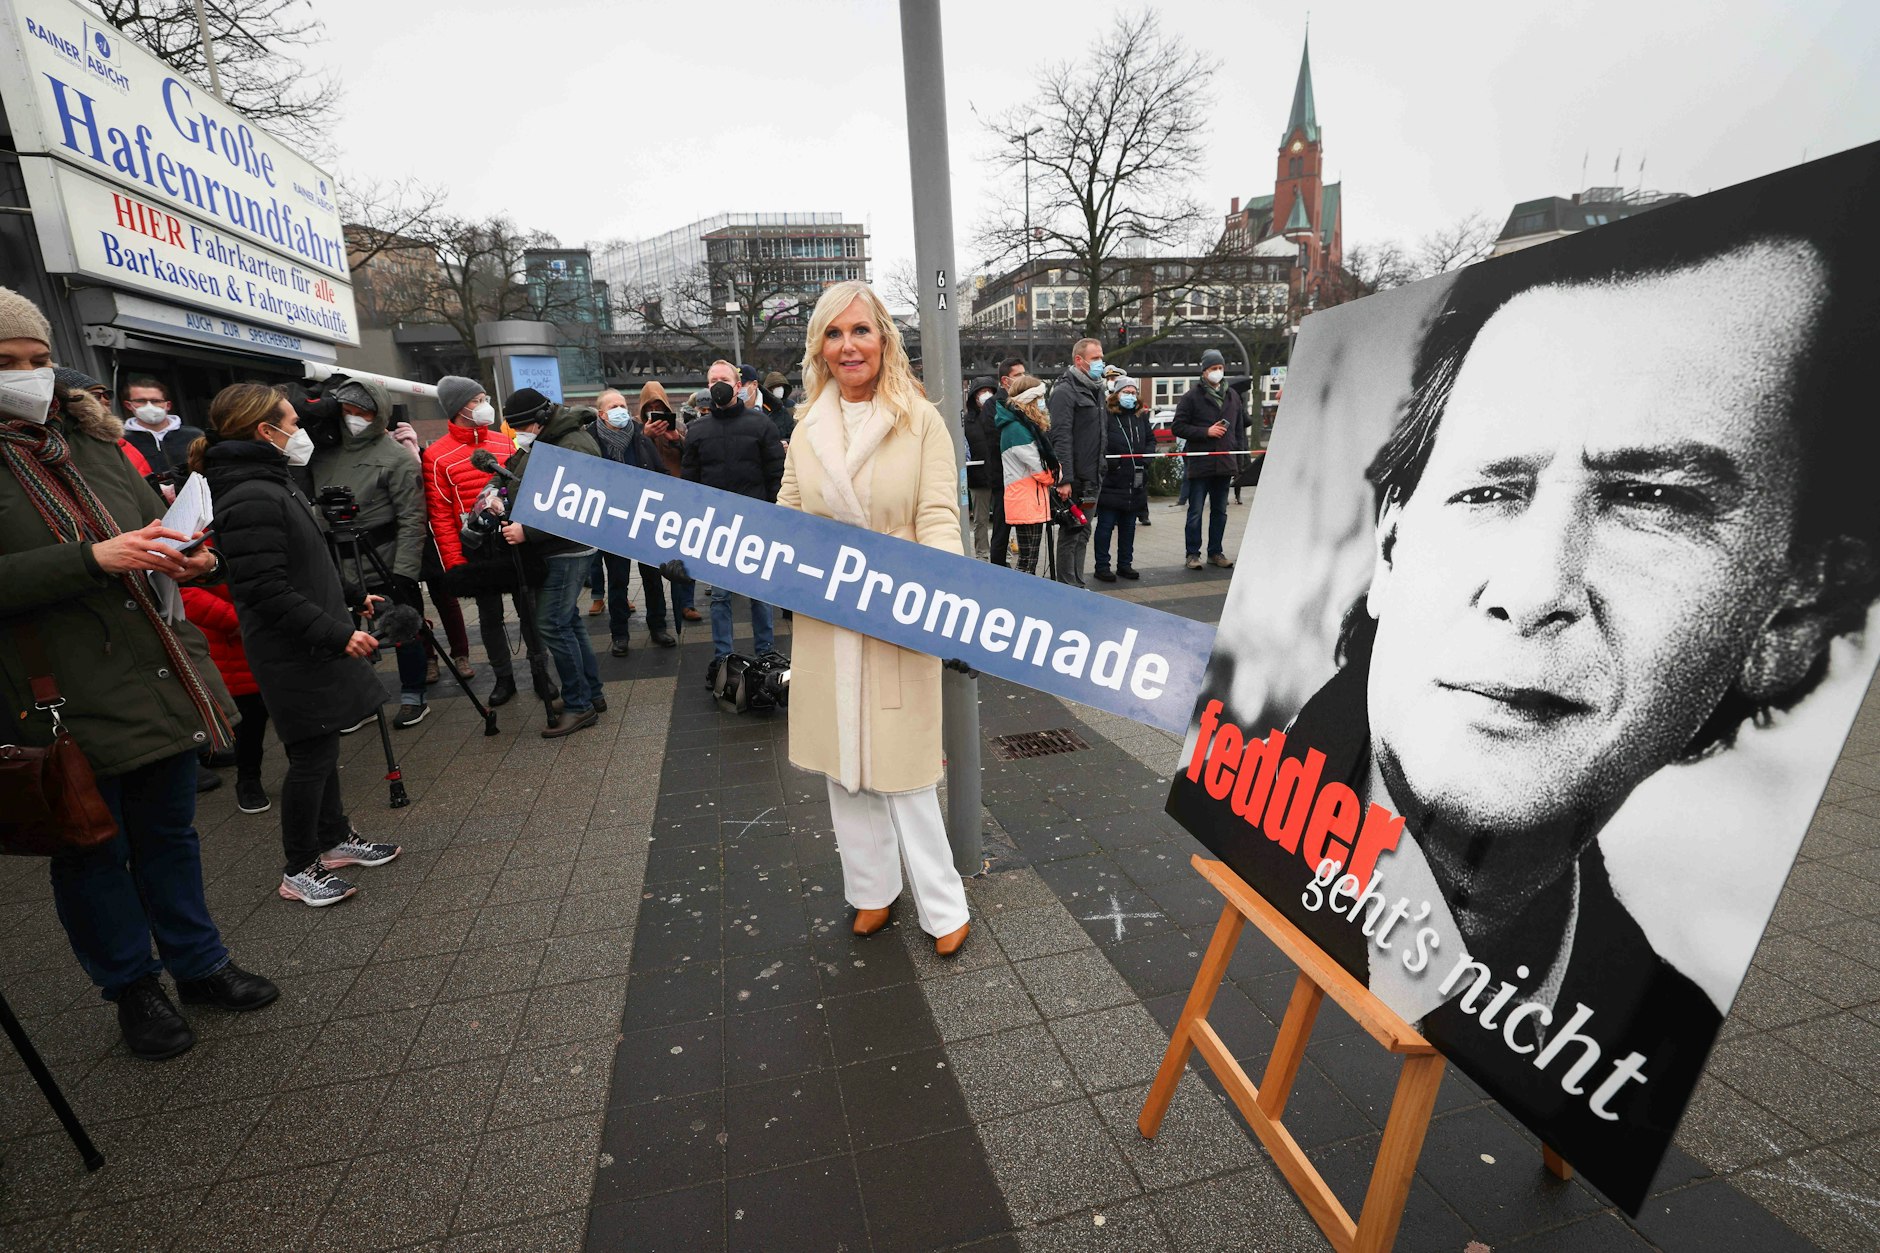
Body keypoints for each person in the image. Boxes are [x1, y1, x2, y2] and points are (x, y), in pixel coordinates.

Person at [1189, 214, 1880, 1197]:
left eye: (1649, 498)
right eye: (1487, 491)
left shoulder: (1645, 1034)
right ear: (1390, 547)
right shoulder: (1245, 796)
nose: (1531, 587)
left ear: (1789, 615)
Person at [0, 285, 277, 1060]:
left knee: (170, 835)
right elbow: (88, 556)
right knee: (92, 849)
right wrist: (90, 558)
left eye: (38, 357)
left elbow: (146, 531)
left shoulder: (91, 442)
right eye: (6, 361)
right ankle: (132, 986)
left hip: (155, 669)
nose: (28, 374)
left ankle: (199, 962)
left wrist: (192, 559)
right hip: (54, 693)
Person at [777, 280, 971, 958]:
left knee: (906, 768)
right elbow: (788, 514)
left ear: (884, 338)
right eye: (834, 333)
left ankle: (944, 903)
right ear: (820, 347)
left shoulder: (920, 420)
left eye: (860, 330)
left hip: (900, 610)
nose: (848, 345)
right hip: (828, 619)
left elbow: (939, 515)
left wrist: (945, 600)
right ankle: (871, 891)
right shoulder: (806, 426)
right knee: (844, 768)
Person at [195, 384, 401, 906]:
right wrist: (337, 632)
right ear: (265, 431)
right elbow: (263, 589)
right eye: (293, 421)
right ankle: (299, 867)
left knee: (324, 746)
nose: (302, 430)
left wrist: (352, 594)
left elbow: (305, 560)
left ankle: (334, 839)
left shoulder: (271, 481)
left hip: (311, 640)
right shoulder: (250, 495)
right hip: (293, 650)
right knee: (311, 756)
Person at [309, 376, 431, 727]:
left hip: (385, 559)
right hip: (336, 563)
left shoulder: (396, 457)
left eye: (361, 412)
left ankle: (414, 696)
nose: (353, 418)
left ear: (378, 414)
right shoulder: (322, 454)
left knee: (403, 628)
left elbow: (412, 518)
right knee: (343, 634)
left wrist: (404, 572)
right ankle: (359, 701)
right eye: (346, 410)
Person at [502, 387, 606, 737]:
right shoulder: (552, 439)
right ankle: (590, 694)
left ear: (541, 420)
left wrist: (527, 532)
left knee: (552, 624)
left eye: (523, 427)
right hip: (561, 546)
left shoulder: (572, 445)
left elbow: (574, 505)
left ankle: (579, 705)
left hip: (568, 547)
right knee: (568, 621)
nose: (520, 434)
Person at [423, 374, 528, 707]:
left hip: (511, 540)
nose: (485, 406)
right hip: (476, 548)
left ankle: (541, 670)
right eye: (477, 400)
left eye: (485, 399)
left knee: (529, 610)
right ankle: (503, 677)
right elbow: (440, 515)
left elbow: (522, 490)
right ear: (459, 408)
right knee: (489, 616)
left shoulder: (505, 442)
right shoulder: (436, 456)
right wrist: (455, 563)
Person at [683, 359, 786, 685]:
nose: (718, 384)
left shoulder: (761, 425)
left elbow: (776, 475)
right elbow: (690, 483)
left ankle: (766, 654)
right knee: (720, 597)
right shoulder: (697, 430)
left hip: (756, 523)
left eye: (724, 379)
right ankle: (723, 659)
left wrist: (774, 517)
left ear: (738, 385)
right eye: (712, 379)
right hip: (717, 527)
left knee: (759, 593)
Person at [180, 564, 272, 814]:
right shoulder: (196, 541)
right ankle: (248, 780)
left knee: (293, 716)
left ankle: (308, 778)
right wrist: (239, 620)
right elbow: (182, 591)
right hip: (233, 641)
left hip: (272, 633)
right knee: (248, 722)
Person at [592, 388, 677, 653]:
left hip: (644, 519)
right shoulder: (591, 440)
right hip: (612, 522)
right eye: (613, 407)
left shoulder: (640, 437)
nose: (621, 410)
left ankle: (658, 627)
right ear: (601, 414)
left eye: (622, 405)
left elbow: (660, 470)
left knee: (652, 577)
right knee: (618, 580)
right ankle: (620, 634)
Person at [1047, 338, 1106, 586]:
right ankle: (1067, 588)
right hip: (1076, 479)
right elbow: (1061, 437)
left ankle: (1078, 585)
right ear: (1079, 360)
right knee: (1071, 533)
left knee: (1083, 532)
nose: (1101, 363)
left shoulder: (1097, 389)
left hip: (1093, 476)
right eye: (1095, 358)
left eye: (1101, 357)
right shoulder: (1064, 391)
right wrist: (1065, 479)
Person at [1173, 348, 1238, 571]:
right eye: (1213, 368)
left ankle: (1215, 552)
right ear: (1204, 371)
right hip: (1200, 464)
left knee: (1220, 512)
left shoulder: (1233, 395)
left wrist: (1238, 458)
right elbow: (1178, 427)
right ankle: (1192, 554)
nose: (1217, 371)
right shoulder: (1191, 397)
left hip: (1224, 463)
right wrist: (1205, 432)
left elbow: (1238, 429)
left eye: (1220, 367)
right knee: (1196, 512)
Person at [995, 375, 1057, 576]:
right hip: (1026, 499)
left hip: (1028, 498)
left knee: (1028, 560)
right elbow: (1038, 469)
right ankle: (1018, 594)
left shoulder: (1017, 426)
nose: (1042, 402)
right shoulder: (1017, 429)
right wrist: (1055, 474)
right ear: (1029, 400)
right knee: (1027, 562)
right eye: (1039, 397)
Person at [1093, 376, 1149, 582]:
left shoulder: (1140, 416)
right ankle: (1102, 566)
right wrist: (1112, 463)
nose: (1130, 396)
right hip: (1112, 481)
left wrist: (1146, 459)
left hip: (1135, 481)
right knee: (1105, 527)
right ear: (1117, 394)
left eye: (1133, 392)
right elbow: (1100, 442)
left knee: (1129, 528)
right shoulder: (1107, 416)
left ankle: (1125, 564)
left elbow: (1150, 440)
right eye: (1126, 392)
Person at [120, 376, 202, 483]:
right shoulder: (123, 442)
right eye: (141, 401)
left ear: (168, 405)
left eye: (156, 401)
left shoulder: (194, 435)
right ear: (128, 405)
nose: (149, 406)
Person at [987, 358, 1026, 566]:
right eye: (1018, 375)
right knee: (1002, 529)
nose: (1023, 378)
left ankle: (1025, 569)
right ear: (1005, 380)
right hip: (1003, 477)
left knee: (1027, 530)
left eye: (1024, 374)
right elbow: (995, 440)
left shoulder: (1026, 401)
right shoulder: (993, 405)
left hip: (1025, 477)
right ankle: (997, 568)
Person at [962, 376, 999, 561]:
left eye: (989, 391)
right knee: (980, 520)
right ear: (974, 396)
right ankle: (982, 554)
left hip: (999, 475)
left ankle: (1002, 554)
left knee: (1002, 519)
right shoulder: (967, 422)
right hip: (977, 477)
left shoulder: (1000, 415)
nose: (986, 395)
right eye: (982, 391)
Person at [760, 370, 797, 443]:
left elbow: (796, 430)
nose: (780, 389)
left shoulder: (791, 405)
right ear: (769, 389)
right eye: (776, 386)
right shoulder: (762, 406)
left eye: (781, 386)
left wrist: (788, 442)